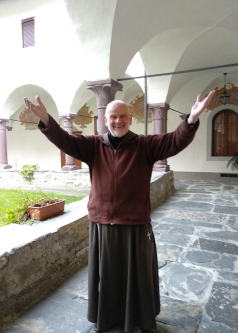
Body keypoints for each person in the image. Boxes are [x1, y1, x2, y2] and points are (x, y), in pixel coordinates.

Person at [24, 90, 215, 333]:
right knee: (108, 276)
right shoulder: (93, 145)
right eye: (113, 117)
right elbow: (65, 141)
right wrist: (47, 121)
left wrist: (191, 120)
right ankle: (108, 317)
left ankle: (138, 317)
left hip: (135, 223)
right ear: (106, 120)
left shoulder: (145, 145)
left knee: (138, 276)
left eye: (123, 116)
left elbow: (174, 140)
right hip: (102, 224)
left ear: (130, 118)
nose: (118, 121)